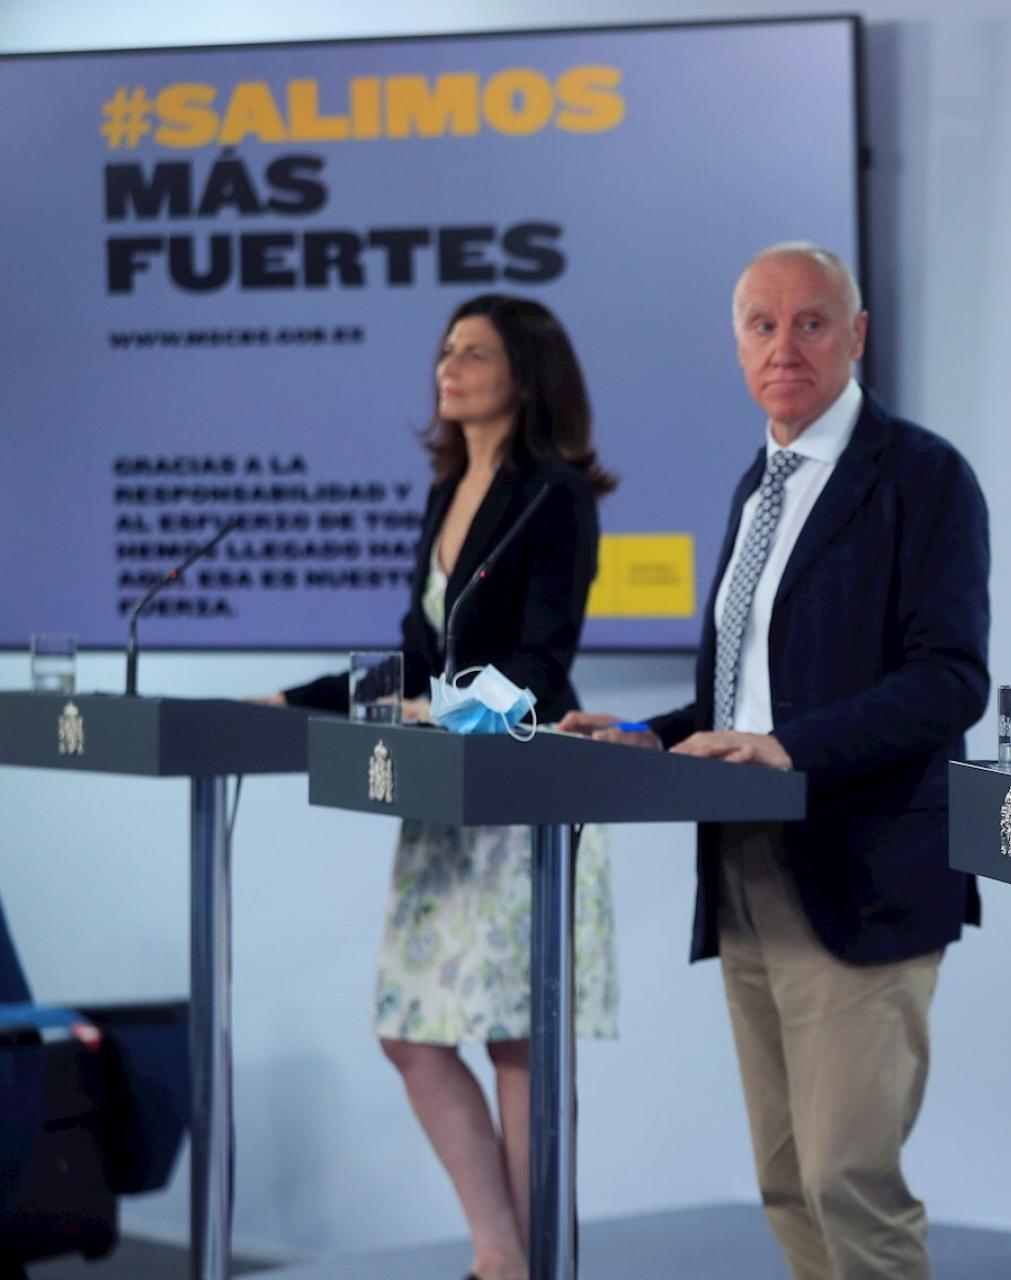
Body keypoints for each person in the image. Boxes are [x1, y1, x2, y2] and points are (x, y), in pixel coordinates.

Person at [562, 242, 990, 1280]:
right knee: (787, 1177)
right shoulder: (759, 484)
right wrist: (650, 735)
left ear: (857, 334)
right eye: (762, 325)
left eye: (810, 322)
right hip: (745, 862)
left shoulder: (921, 474)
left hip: (863, 868)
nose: (783, 346)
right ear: (737, 346)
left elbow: (949, 679)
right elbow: (747, 700)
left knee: (849, 1178)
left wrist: (790, 748)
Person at [271, 294, 619, 1280]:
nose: (447, 368)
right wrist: (292, 698)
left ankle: (529, 1265)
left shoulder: (555, 494)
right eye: (446, 350)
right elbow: (416, 659)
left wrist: (445, 707)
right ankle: (502, 1253)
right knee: (410, 1035)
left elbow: (542, 664)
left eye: (474, 352)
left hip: (521, 790)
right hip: (442, 797)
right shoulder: (445, 493)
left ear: (526, 374)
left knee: (517, 1043)